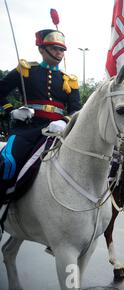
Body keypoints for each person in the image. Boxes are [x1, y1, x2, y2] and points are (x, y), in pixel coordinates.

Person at [0, 29, 80, 203]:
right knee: (8, 162)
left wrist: (64, 121)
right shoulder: (26, 70)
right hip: (27, 129)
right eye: (54, 48)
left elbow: (75, 110)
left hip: (57, 131)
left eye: (62, 50)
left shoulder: (69, 80)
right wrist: (11, 111)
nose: (59, 53)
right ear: (42, 49)